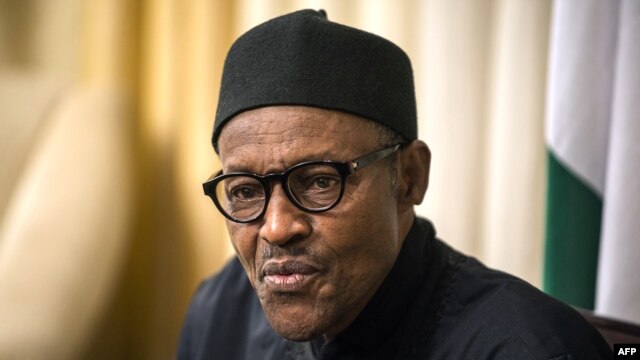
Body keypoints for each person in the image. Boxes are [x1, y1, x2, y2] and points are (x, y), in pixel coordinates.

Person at [177, 9, 611, 359]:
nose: (275, 228)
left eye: (319, 182)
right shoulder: (220, 311)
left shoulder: (527, 348)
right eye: (246, 191)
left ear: (409, 178)